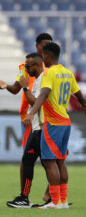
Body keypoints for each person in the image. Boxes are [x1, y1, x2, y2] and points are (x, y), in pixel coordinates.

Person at [24, 42, 86, 209]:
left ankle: (55, 201)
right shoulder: (67, 73)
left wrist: (31, 113)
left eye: (43, 55)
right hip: (66, 121)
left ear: (46, 56)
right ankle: (63, 201)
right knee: (60, 162)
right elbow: (79, 95)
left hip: (53, 123)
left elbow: (44, 93)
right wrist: (84, 106)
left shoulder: (48, 73)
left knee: (50, 161)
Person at [0, 33, 52, 207]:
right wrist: (7, 87)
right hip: (27, 118)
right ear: (37, 47)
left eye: (49, 46)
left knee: (40, 157)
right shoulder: (25, 65)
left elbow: (38, 97)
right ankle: (47, 196)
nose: (46, 49)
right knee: (34, 157)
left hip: (42, 118)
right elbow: (17, 87)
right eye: (44, 45)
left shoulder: (52, 69)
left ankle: (44, 195)